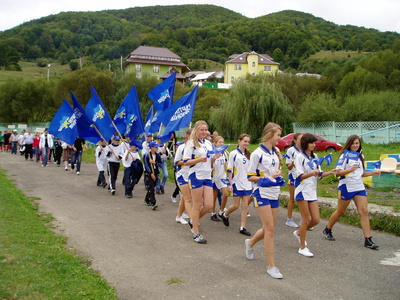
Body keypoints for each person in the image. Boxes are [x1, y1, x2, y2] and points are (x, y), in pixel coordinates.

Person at [323, 135, 381, 249]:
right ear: (349, 144)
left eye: (357, 143)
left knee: (364, 211)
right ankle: (327, 229)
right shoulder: (344, 156)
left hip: (359, 187)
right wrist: (349, 170)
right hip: (346, 187)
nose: (355, 145)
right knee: (340, 211)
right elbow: (337, 173)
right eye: (353, 143)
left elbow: (361, 173)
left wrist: (373, 173)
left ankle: (368, 239)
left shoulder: (360, 156)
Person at [245, 123, 285, 279]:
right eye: (278, 135)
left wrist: (276, 175)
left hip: (274, 192)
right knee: (270, 230)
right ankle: (271, 266)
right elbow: (249, 176)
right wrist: (265, 178)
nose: (280, 138)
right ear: (270, 135)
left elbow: (272, 172)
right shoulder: (256, 154)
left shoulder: (276, 152)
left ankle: (249, 243)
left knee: (269, 227)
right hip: (261, 193)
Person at [293, 133, 338, 257]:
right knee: (306, 219)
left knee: (316, 220)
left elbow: (319, 174)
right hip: (302, 191)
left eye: (314, 143)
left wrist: (330, 172)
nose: (313, 145)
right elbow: (300, 176)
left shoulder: (315, 156)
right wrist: (312, 173)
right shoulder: (299, 157)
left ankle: (298, 233)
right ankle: (302, 247)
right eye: (311, 142)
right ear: (305, 143)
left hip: (312, 192)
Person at [183, 120, 214, 244]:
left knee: (209, 205)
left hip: (207, 176)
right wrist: (199, 159)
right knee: (197, 205)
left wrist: (214, 159)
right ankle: (196, 233)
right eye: (202, 130)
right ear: (196, 130)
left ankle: (192, 221)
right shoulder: (191, 143)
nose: (204, 132)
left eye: (206, 130)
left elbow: (209, 162)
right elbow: (185, 162)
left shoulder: (208, 143)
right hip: (196, 176)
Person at [221, 134, 253, 236]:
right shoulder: (233, 154)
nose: (246, 143)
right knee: (235, 205)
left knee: (245, 205)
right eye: (245, 141)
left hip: (247, 183)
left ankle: (242, 227)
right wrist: (230, 183)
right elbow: (230, 169)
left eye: (248, 141)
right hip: (237, 183)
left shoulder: (249, 155)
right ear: (239, 141)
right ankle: (225, 214)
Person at [284, 133, 303, 228]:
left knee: (303, 198)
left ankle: (304, 219)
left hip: (303, 177)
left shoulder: (305, 149)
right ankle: (289, 219)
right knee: (292, 198)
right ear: (295, 140)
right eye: (300, 139)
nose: (301, 141)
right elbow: (288, 166)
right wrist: (294, 162)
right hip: (293, 176)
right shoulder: (290, 151)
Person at [210, 135, 229, 222]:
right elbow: (210, 165)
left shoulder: (225, 153)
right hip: (214, 177)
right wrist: (214, 158)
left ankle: (221, 211)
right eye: (219, 142)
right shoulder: (212, 153)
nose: (221, 143)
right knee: (214, 196)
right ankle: (213, 213)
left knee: (225, 194)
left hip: (222, 176)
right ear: (215, 143)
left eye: (222, 142)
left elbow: (226, 164)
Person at [143, 141, 162, 210]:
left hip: (156, 172)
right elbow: (146, 165)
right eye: (155, 147)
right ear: (151, 148)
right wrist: (151, 173)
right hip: (149, 174)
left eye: (157, 147)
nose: (157, 148)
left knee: (152, 187)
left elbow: (160, 164)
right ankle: (153, 203)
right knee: (151, 188)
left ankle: (146, 199)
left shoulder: (158, 155)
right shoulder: (146, 155)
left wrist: (154, 163)